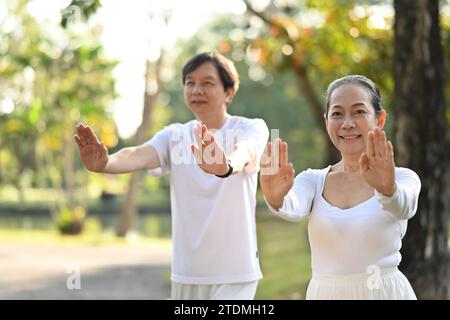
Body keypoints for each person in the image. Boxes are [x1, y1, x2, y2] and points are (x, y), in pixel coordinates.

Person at [74, 52, 269, 300]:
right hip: (187, 272)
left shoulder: (250, 128)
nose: (197, 90)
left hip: (236, 272)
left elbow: (246, 150)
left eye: (207, 83)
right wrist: (106, 163)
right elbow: (137, 154)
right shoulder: (175, 135)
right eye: (190, 82)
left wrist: (226, 166)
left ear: (228, 92)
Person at [260, 75, 420, 300]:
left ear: (380, 119)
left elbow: (404, 206)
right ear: (327, 122)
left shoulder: (402, 178)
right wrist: (276, 198)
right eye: (337, 113)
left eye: (359, 112)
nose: (347, 123)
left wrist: (387, 190)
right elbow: (291, 206)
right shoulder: (313, 180)